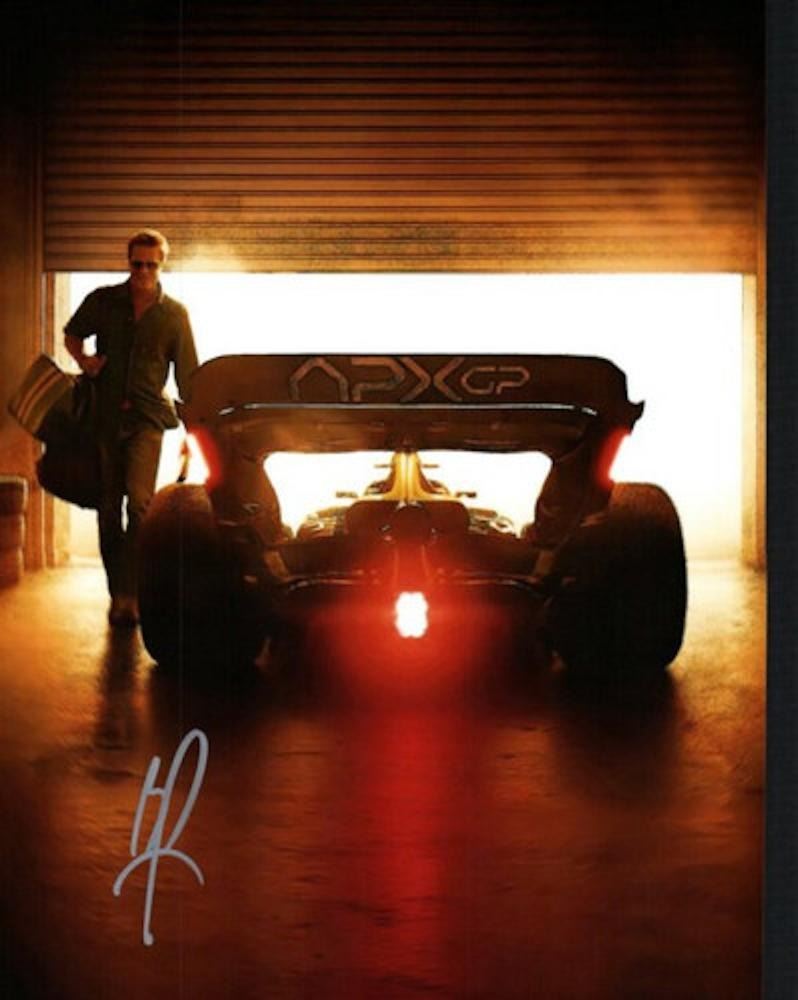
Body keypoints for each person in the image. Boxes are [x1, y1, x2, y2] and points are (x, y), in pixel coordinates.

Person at [64, 229, 198, 626]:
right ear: (128, 262)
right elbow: (72, 333)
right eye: (137, 264)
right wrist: (85, 361)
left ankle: (132, 593)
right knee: (108, 509)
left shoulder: (174, 315)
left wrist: (194, 433)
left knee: (139, 506)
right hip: (105, 418)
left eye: (150, 265)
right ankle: (118, 593)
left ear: (161, 265)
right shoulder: (104, 301)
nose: (143, 271)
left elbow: (188, 378)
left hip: (146, 421)